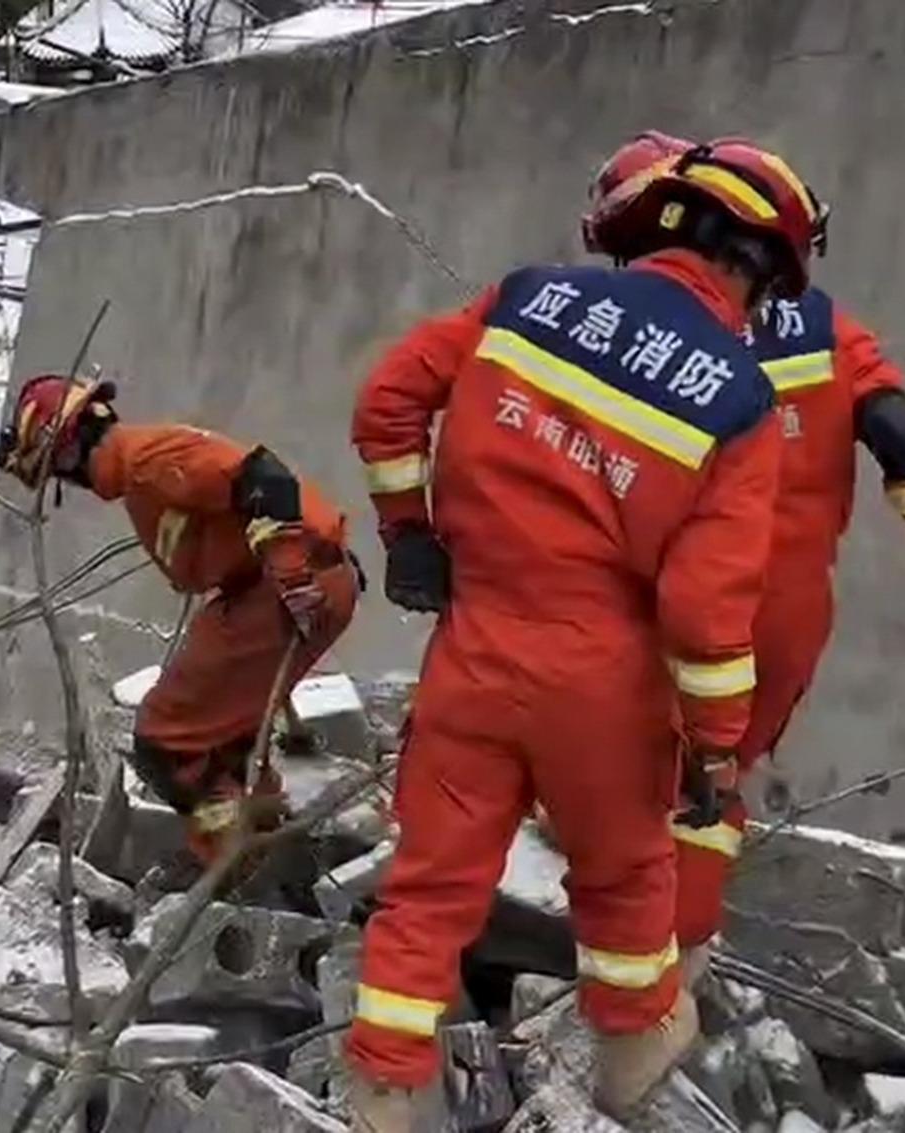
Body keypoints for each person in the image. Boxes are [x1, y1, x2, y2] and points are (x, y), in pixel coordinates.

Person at [344, 139, 820, 1128]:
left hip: (471, 653)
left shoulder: (523, 300)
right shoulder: (736, 400)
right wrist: (711, 746)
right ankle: (632, 1079)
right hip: (604, 690)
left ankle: (382, 1090)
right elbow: (702, 612)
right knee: (624, 881)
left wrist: (408, 534)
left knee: (427, 887)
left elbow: (387, 401)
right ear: (759, 269)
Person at [582, 131, 905, 972]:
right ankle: (678, 959)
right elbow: (902, 435)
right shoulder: (824, 327)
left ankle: (605, 957)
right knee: (712, 787)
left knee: (614, 775)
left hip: (662, 603)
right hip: (783, 616)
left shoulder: (640, 332)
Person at [0, 377, 359, 866]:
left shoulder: (148, 460)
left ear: (64, 452)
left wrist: (291, 572)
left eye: (53, 470)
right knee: (226, 741)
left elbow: (263, 478)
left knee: (167, 743)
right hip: (293, 583)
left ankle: (233, 864)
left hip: (285, 585)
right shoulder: (142, 467)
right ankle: (274, 852)